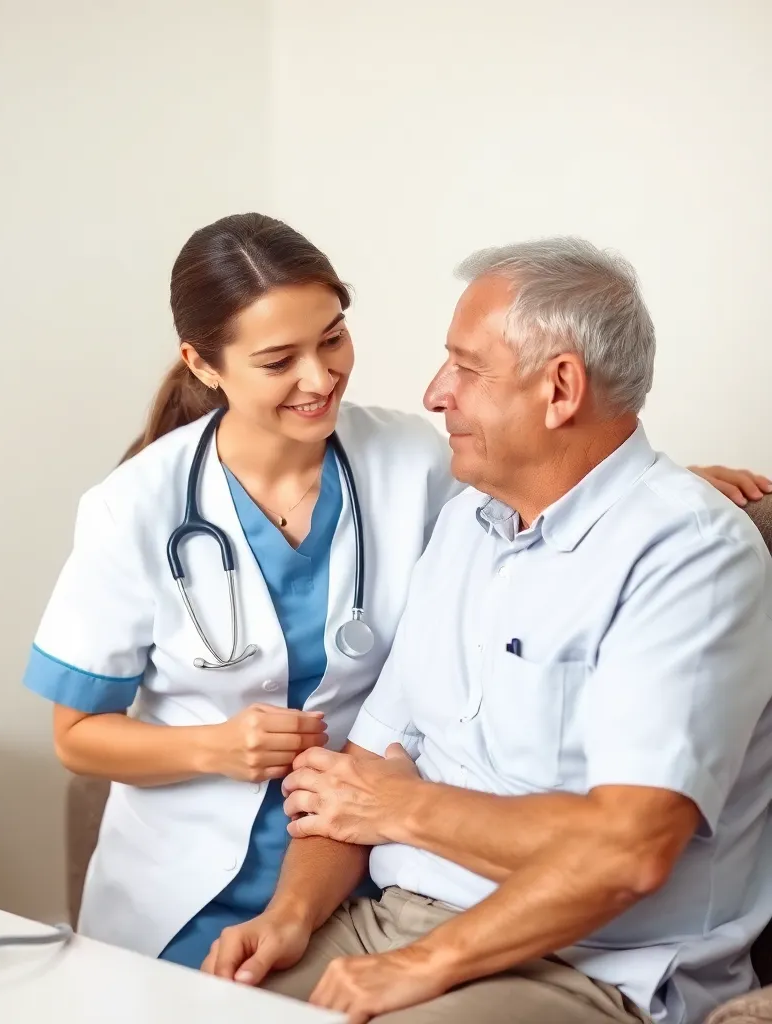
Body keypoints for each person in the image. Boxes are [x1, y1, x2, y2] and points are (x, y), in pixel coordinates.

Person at [21, 214, 768, 972]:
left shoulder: (418, 462)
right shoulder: (134, 506)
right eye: (279, 360)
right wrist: (217, 746)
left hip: (358, 866)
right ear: (204, 364)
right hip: (192, 872)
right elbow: (75, 734)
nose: (319, 379)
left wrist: (655, 489)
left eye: (332, 339)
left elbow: (561, 468)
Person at [201, 237, 772, 1024]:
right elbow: (359, 775)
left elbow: (627, 851)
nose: (438, 393)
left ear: (560, 388)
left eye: (466, 368)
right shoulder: (469, 522)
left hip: (582, 970)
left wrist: (404, 822)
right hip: (391, 920)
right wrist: (290, 917)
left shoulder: (692, 556)